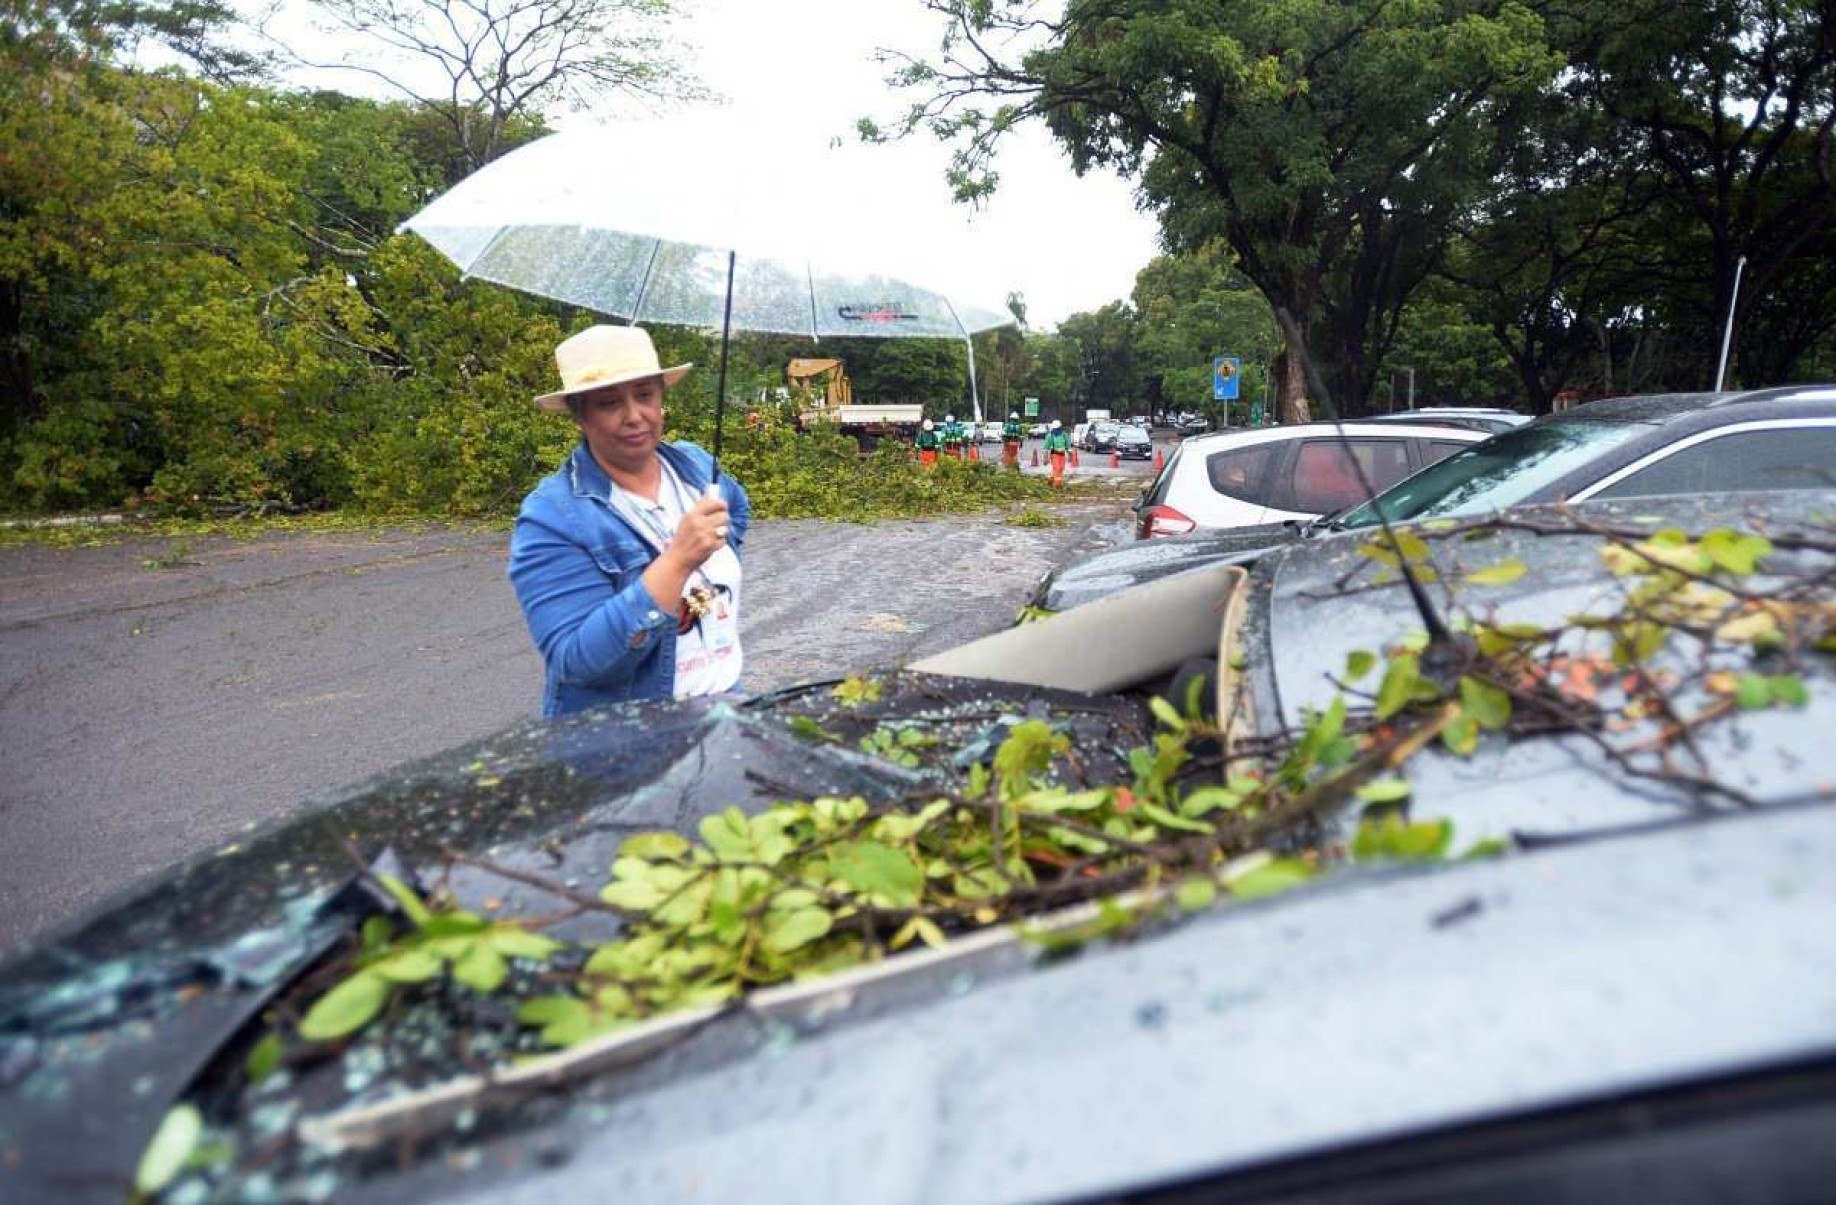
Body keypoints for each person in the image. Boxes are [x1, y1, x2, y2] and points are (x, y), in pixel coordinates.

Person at [508, 325, 752, 718]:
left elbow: (737, 508)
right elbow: (578, 662)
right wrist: (678, 561)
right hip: (625, 743)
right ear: (579, 415)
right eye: (609, 403)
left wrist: (720, 556)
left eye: (644, 395)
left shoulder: (695, 467)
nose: (634, 416)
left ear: (661, 399)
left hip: (725, 710)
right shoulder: (551, 517)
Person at [1045, 419, 1071, 488]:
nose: (1056, 430)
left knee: (1061, 468)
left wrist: (1070, 455)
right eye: (1055, 428)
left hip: (1062, 455)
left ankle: (1050, 479)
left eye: (1058, 428)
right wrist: (1045, 458)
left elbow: (1068, 445)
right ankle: (1058, 485)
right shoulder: (1050, 435)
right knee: (1057, 468)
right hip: (1054, 454)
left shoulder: (1064, 435)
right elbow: (1046, 448)